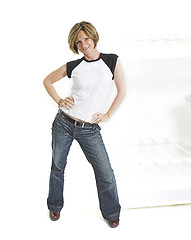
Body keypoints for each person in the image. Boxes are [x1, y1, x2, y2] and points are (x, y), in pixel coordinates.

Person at [43, 21, 126, 228]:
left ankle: (111, 212)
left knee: (105, 172)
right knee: (57, 166)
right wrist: (60, 101)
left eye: (86, 39)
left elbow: (122, 90)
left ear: (93, 37)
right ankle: (54, 205)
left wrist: (108, 115)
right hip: (63, 122)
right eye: (78, 41)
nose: (83, 44)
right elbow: (47, 80)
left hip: (89, 129)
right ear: (75, 45)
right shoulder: (74, 66)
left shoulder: (111, 61)